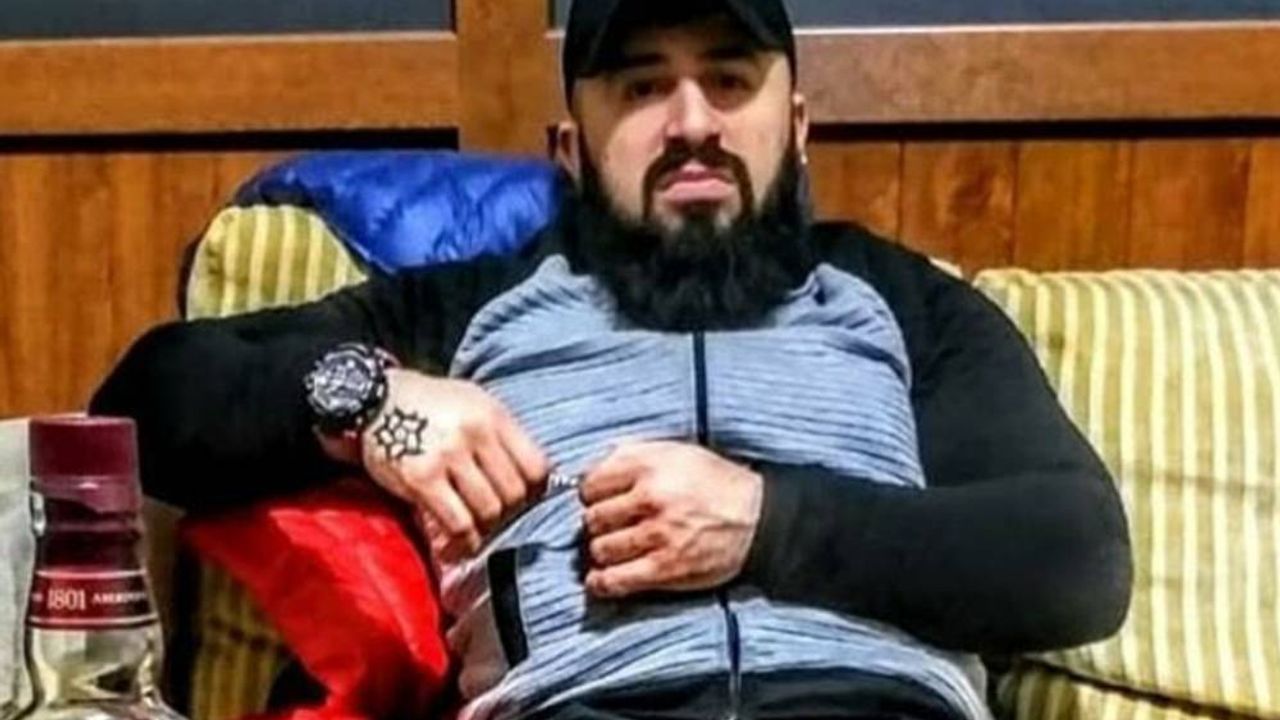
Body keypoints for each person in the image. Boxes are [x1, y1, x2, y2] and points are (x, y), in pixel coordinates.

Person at [91, 0, 1132, 718]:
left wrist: (766, 524)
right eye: (641, 88)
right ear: (570, 148)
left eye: (728, 80)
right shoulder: (471, 306)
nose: (691, 123)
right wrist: (368, 404)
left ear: (796, 126)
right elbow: (141, 407)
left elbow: (1075, 560)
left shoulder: (897, 300)